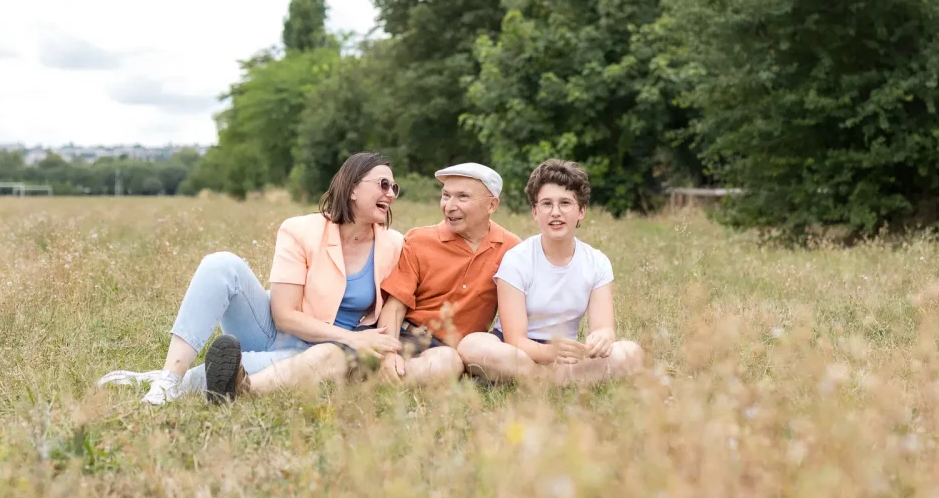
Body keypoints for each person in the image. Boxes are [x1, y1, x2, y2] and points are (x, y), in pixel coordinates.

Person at [97, 152, 405, 405]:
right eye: (382, 184)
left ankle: (164, 382)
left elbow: (396, 306)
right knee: (221, 264)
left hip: (316, 354)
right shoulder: (300, 230)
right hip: (270, 330)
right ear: (352, 188)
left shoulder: (394, 244)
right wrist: (353, 337)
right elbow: (284, 316)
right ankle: (168, 377)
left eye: (394, 188)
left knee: (224, 374)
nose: (390, 194)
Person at [457, 159, 644, 384]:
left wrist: (602, 338)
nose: (555, 213)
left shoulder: (597, 262)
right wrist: (549, 353)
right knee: (471, 345)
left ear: (581, 211)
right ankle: (553, 380)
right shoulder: (517, 259)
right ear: (535, 212)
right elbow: (515, 339)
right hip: (518, 351)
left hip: (566, 354)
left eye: (565, 203)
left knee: (630, 353)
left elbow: (604, 329)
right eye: (546, 204)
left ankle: (539, 380)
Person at [375, 162, 522, 384]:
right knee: (445, 362)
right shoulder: (419, 241)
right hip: (411, 338)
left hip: (462, 350)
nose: (449, 206)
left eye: (462, 197)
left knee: (452, 361)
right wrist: (388, 356)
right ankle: (384, 378)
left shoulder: (512, 249)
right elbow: (394, 309)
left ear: (492, 205)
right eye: (446, 196)